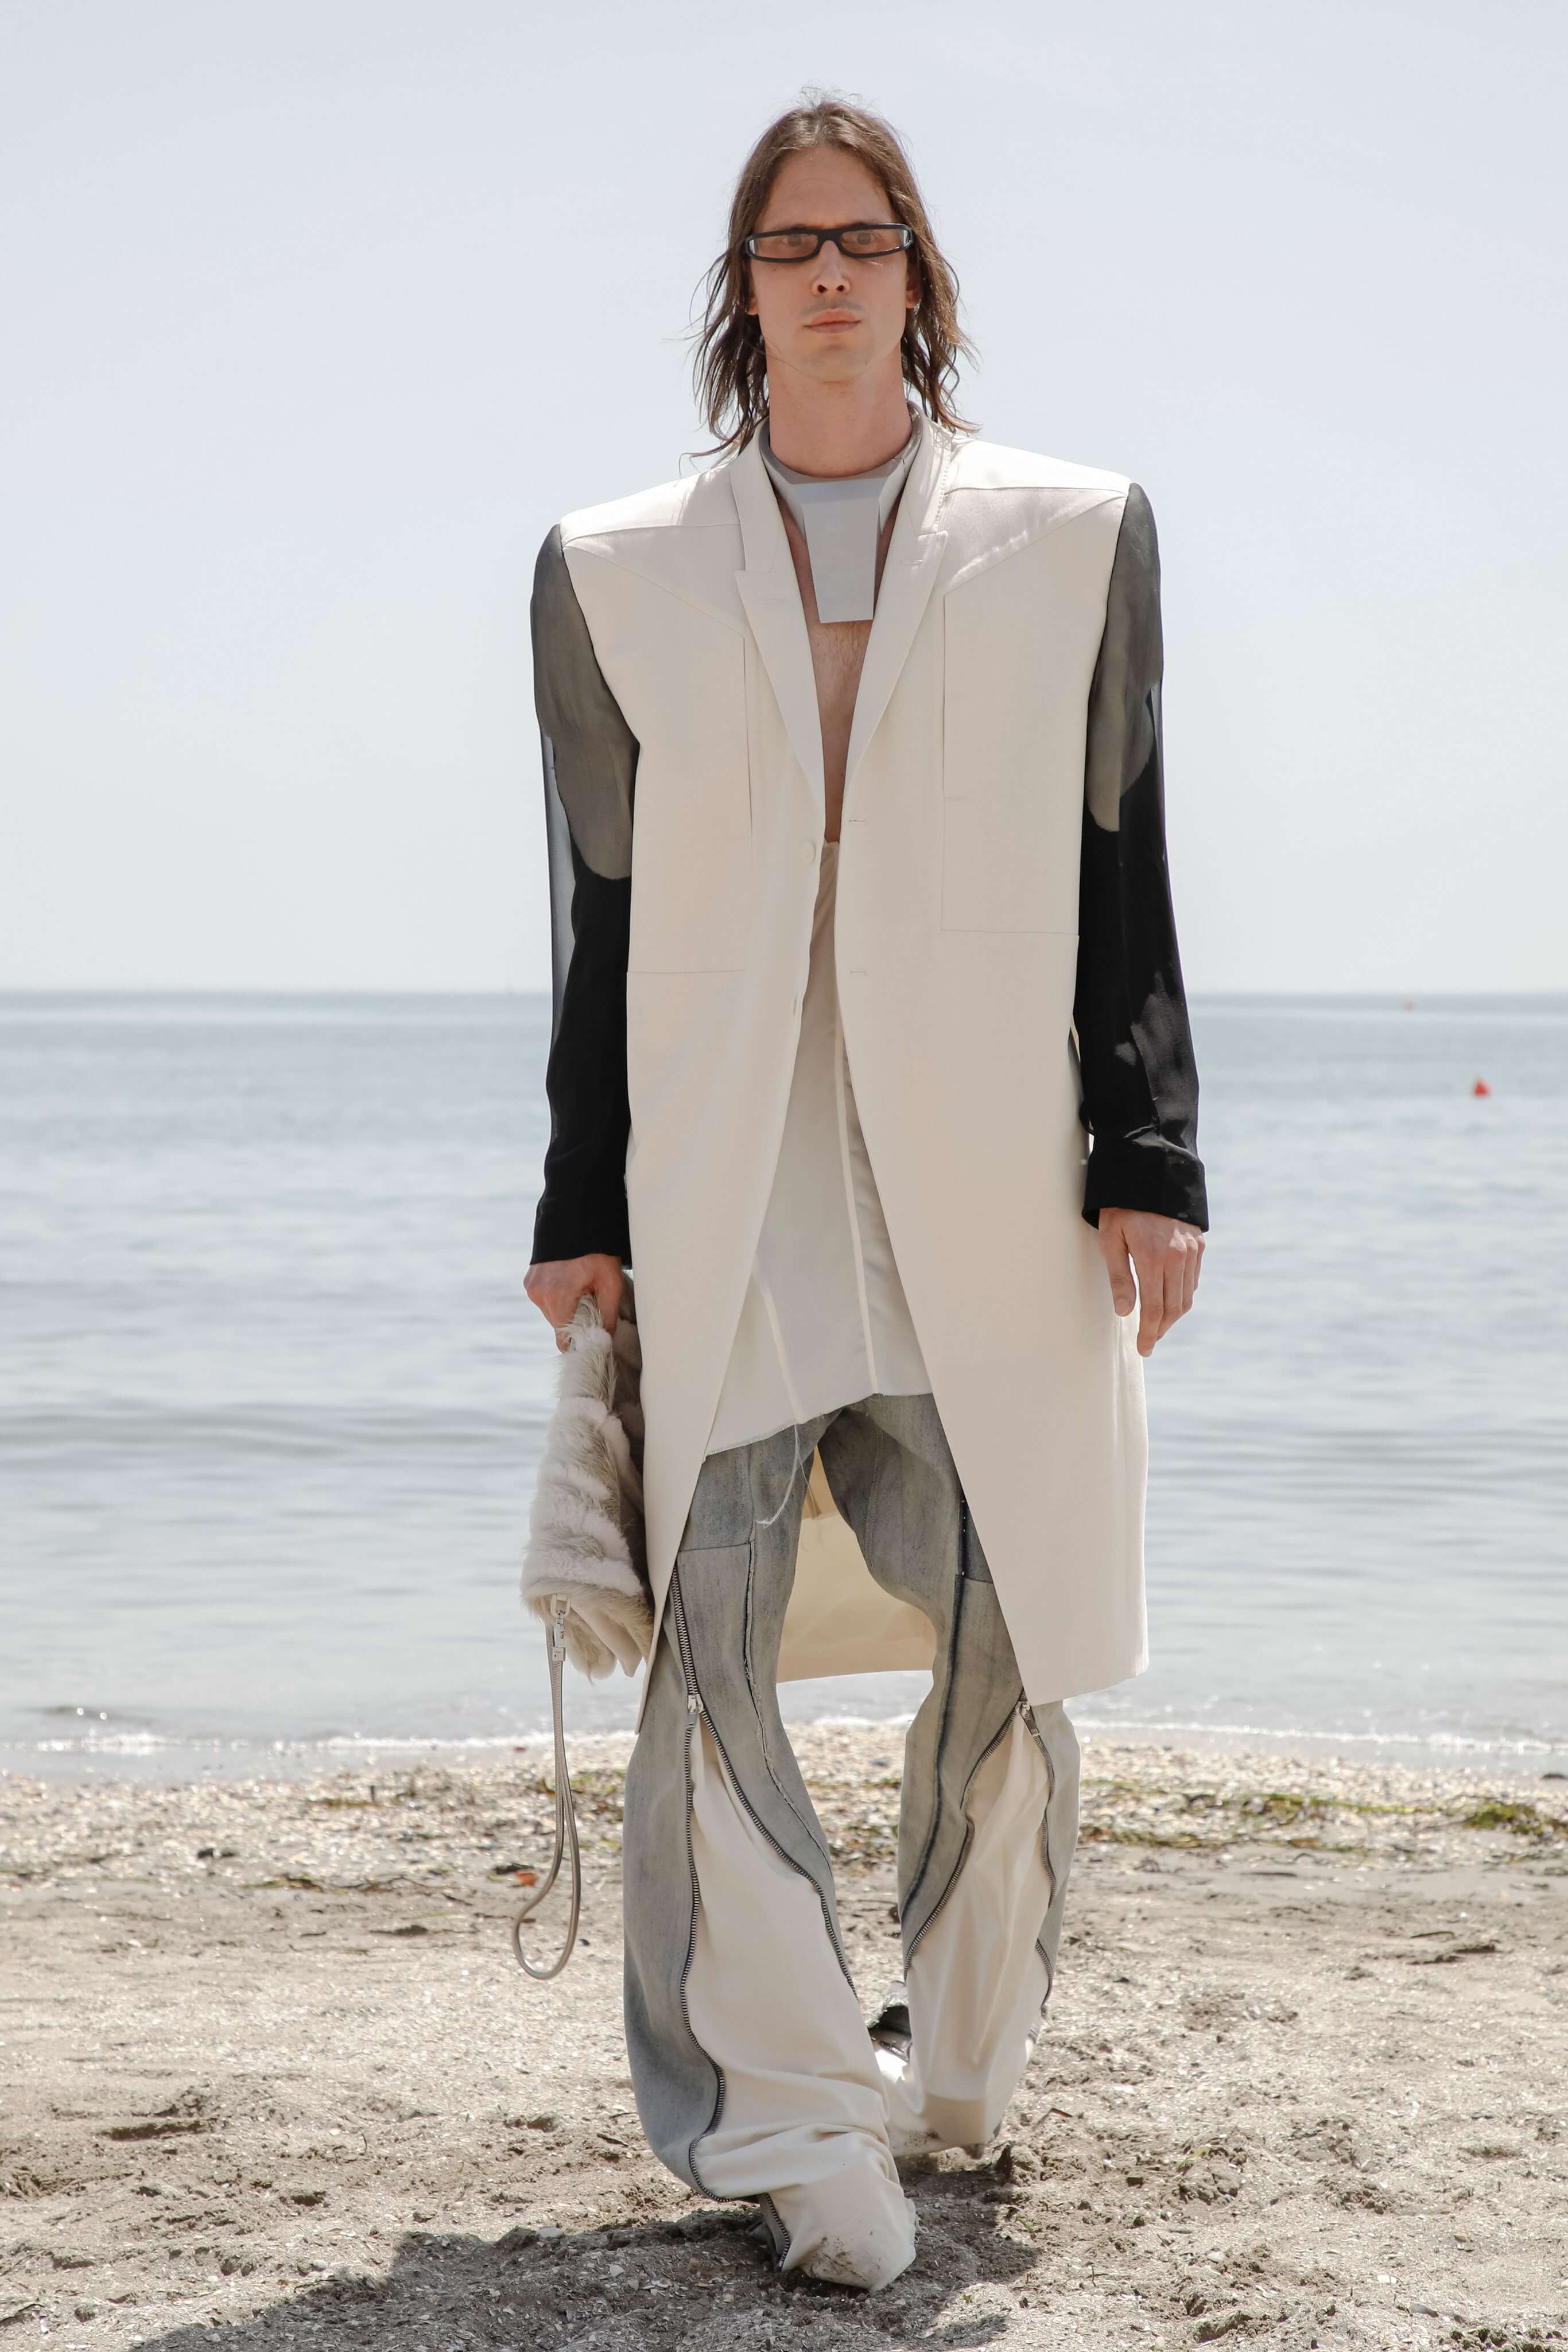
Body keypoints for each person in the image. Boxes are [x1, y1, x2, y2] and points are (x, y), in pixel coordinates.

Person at [522, 95, 1208, 2292]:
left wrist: (1151, 1150)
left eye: (865, 239)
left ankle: (966, 2052)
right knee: (708, 1636)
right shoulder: (614, 565)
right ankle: (797, 2112)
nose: (827, 276)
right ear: (740, 291)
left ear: (918, 273)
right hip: (728, 1170)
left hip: (979, 1171)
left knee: (1012, 1609)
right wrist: (578, 1196)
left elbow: (1122, 856)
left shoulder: (1070, 530)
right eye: (786, 244)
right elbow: (599, 914)